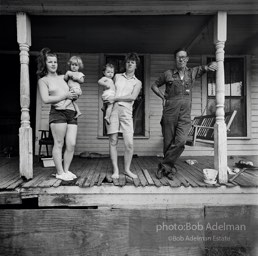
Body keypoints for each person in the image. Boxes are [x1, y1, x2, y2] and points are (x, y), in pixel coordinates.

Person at [151, 48, 217, 180]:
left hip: (185, 115)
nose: (181, 59)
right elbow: (154, 85)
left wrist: (214, 64)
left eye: (183, 57)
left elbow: (206, 67)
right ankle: (168, 170)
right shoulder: (168, 74)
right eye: (178, 57)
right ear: (175, 59)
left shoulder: (192, 72)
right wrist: (162, 98)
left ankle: (163, 166)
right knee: (168, 142)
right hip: (170, 112)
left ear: (187, 59)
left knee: (180, 141)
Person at [37, 48, 79, 181]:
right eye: (50, 62)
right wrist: (65, 95)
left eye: (55, 62)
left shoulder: (64, 77)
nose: (53, 64)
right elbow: (46, 99)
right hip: (57, 113)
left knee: (71, 144)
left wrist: (76, 106)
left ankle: (66, 170)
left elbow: (73, 94)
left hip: (71, 112)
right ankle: (60, 172)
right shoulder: (43, 80)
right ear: (45, 63)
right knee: (59, 143)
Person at [105, 53, 142, 179]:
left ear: (136, 65)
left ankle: (127, 169)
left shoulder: (137, 82)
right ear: (125, 64)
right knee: (113, 141)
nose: (130, 64)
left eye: (132, 62)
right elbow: (109, 90)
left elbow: (132, 97)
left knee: (129, 143)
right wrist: (106, 103)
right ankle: (115, 170)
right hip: (113, 110)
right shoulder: (117, 76)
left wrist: (116, 98)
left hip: (126, 112)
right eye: (128, 62)